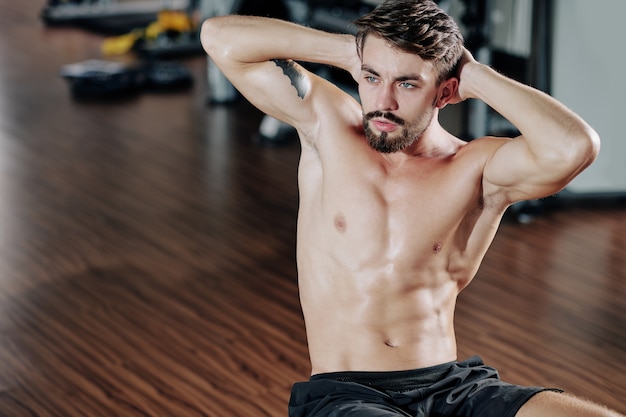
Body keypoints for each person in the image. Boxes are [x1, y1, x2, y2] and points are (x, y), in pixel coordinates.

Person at [201, 1, 619, 416]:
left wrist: (474, 74)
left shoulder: (475, 169)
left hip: (454, 389)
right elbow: (218, 37)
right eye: (372, 77)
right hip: (347, 395)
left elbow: (575, 147)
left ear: (446, 92)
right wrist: (350, 51)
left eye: (407, 84)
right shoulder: (327, 127)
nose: (382, 101)